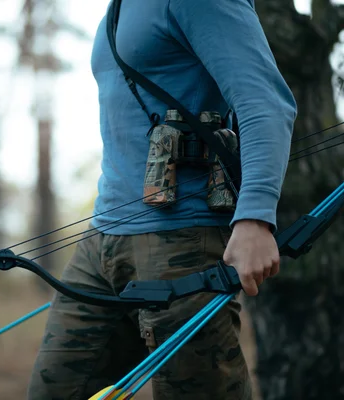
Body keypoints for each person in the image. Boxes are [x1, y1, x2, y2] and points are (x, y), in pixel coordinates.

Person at [27, 0, 297, 399]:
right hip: (102, 238)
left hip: (182, 241)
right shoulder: (118, 7)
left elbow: (264, 103)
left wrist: (255, 216)